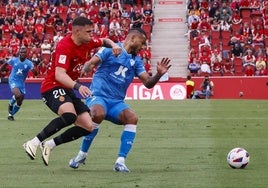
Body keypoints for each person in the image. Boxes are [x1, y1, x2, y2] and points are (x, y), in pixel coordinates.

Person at [68, 28, 171, 172]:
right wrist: (89, 66)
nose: (143, 47)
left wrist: (158, 75)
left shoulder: (136, 60)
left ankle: (120, 161)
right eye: (142, 43)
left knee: (132, 118)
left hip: (116, 102)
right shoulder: (110, 50)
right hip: (98, 96)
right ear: (133, 38)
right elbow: (88, 65)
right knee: (97, 113)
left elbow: (147, 83)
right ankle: (81, 154)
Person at [22, 16, 121, 166]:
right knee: (69, 116)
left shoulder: (87, 42)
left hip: (68, 89)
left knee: (88, 127)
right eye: (88, 32)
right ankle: (33, 142)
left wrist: (113, 45)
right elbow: (59, 75)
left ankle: (50, 145)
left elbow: (104, 40)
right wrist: (78, 86)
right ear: (77, 31)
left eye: (92, 32)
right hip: (52, 87)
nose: (91, 35)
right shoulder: (65, 46)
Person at [0, 46, 37, 121]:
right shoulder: (14, 60)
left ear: (26, 54)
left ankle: (11, 114)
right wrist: (1, 69)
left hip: (21, 83)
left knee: (20, 101)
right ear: (19, 53)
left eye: (24, 52)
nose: (22, 54)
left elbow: (36, 74)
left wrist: (34, 70)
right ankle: (11, 103)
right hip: (13, 80)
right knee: (18, 95)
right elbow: (6, 64)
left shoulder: (29, 63)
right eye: (21, 52)